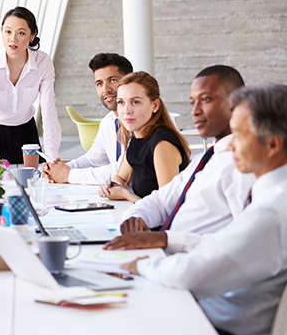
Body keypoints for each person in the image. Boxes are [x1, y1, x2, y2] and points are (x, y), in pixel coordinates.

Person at [121, 83, 287, 335]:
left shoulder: (271, 211)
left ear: (273, 145)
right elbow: (227, 245)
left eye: (240, 136)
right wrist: (167, 241)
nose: (230, 147)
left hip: (216, 327)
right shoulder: (273, 198)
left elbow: (189, 273)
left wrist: (141, 265)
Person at [104, 65, 254, 252]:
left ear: (237, 103)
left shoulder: (243, 166)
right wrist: (136, 217)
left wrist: (166, 240)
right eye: (192, 103)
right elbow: (161, 199)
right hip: (165, 252)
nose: (195, 111)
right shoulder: (205, 160)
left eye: (206, 100)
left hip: (191, 263)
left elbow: (242, 242)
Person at [0, 6, 61, 164]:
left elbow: (49, 111)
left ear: (32, 36)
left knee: (33, 180)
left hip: (26, 132)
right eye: (8, 31)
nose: (13, 39)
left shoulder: (43, 63)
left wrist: (53, 159)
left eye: (21, 33)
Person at [99, 71, 190, 202]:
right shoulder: (137, 136)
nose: (126, 111)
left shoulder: (162, 143)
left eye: (136, 102)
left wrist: (126, 195)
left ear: (155, 105)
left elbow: (168, 205)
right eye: (121, 102)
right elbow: (121, 177)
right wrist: (110, 187)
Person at [43, 53, 133, 184]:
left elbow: (123, 171)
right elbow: (92, 160)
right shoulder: (108, 122)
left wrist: (68, 175)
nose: (106, 89)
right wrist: (58, 170)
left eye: (112, 80)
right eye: (99, 83)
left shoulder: (139, 121)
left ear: (130, 81)